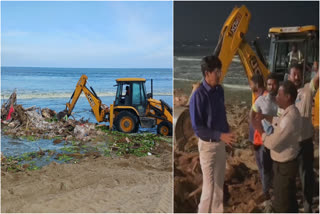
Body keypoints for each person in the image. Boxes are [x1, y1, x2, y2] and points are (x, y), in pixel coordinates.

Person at [189, 55, 236, 213]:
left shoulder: (219, 91)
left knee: (218, 186)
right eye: (217, 72)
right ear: (207, 73)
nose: (219, 74)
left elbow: (221, 116)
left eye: (220, 71)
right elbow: (198, 128)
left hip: (221, 144)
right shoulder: (198, 95)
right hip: (208, 146)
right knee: (209, 188)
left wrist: (227, 132)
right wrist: (220, 135)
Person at [261, 81, 301, 213]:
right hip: (285, 165)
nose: (276, 97)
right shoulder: (288, 113)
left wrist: (261, 134)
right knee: (289, 200)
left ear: (288, 97)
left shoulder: (289, 118)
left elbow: (272, 143)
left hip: (284, 167)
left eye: (279, 94)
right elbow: (277, 128)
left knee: (281, 204)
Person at [287, 63, 319, 212]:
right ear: (288, 76)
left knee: (307, 178)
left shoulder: (307, 90)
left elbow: (317, 79)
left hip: (305, 143)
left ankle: (307, 207)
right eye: (294, 73)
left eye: (299, 74)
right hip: (290, 145)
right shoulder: (284, 96)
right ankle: (293, 206)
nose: (297, 76)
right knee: (290, 178)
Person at [250, 73, 279, 207]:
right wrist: (260, 133)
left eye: (274, 84)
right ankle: (266, 190)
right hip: (259, 139)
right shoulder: (260, 99)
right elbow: (252, 116)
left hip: (272, 140)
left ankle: (268, 192)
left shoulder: (279, 100)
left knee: (268, 167)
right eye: (269, 84)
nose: (271, 86)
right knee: (263, 166)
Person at [248, 74, 266, 147]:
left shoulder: (264, 98)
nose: (250, 87)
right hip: (257, 138)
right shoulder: (258, 97)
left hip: (261, 139)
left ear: (257, 85)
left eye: (251, 84)